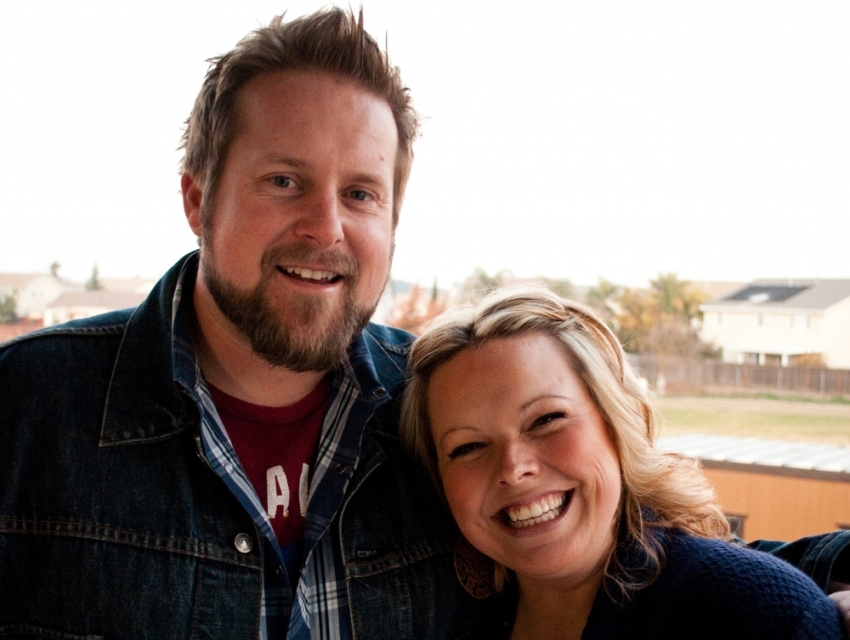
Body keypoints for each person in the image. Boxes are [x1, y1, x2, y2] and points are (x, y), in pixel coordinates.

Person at [0, 8, 848, 640]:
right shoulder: (29, 410)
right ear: (197, 199)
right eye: (284, 182)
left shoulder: (444, 410)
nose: (326, 230)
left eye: (361, 193)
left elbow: (641, 552)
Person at [399, 286, 847, 639]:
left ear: (616, 424)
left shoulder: (760, 615)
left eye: (547, 419)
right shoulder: (450, 623)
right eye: (469, 448)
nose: (514, 468)